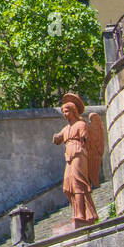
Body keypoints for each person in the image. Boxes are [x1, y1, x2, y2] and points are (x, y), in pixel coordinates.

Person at [53, 93, 104, 230]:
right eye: (63, 111)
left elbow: (87, 140)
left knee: (78, 184)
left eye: (67, 111)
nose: (64, 114)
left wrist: (83, 136)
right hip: (69, 156)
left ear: (74, 111)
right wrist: (56, 137)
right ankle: (79, 212)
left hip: (79, 154)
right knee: (67, 187)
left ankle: (81, 215)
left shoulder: (81, 124)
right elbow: (58, 139)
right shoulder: (66, 129)